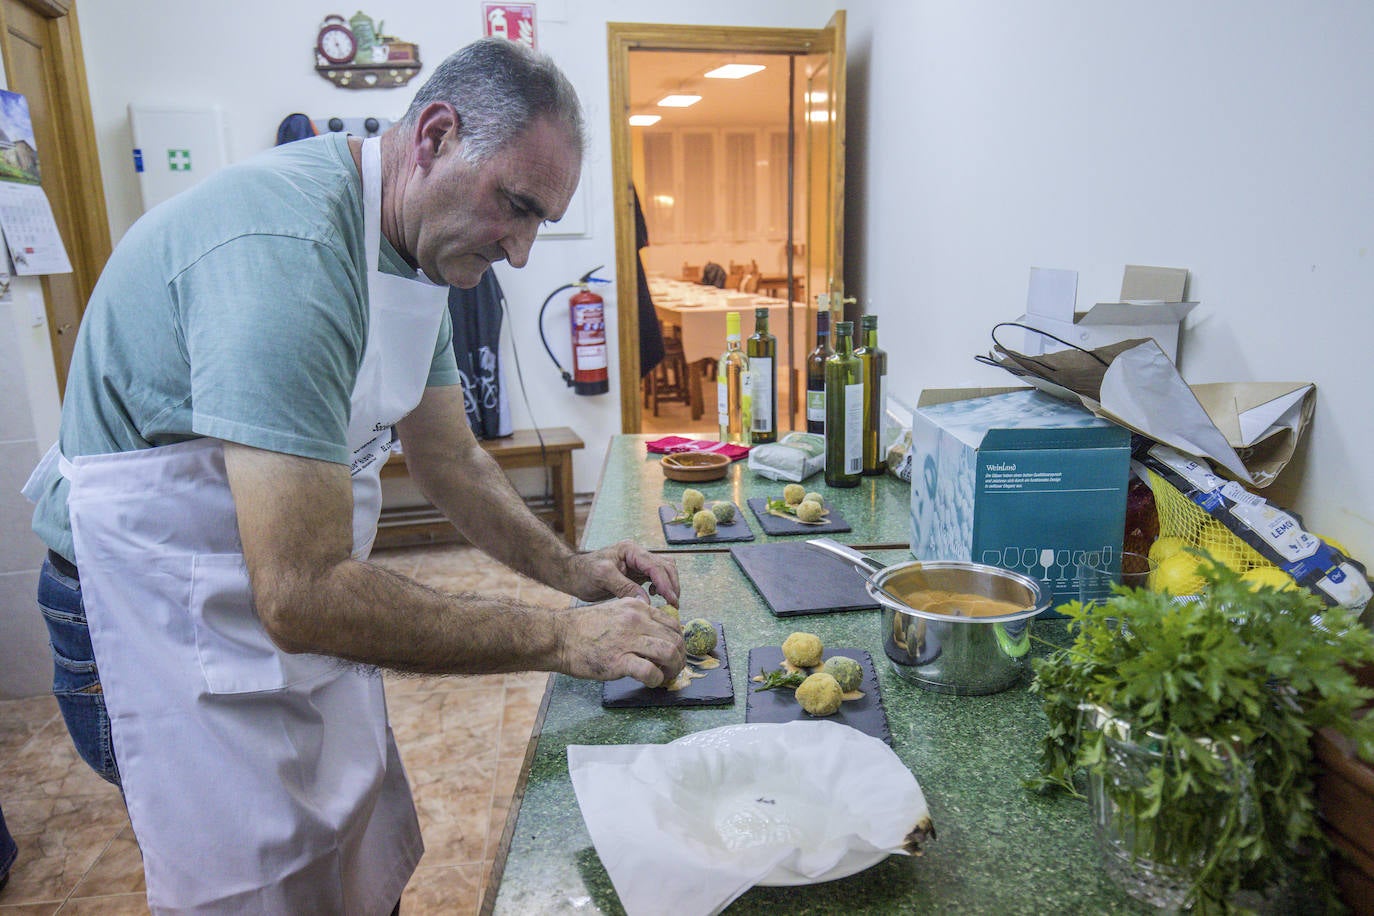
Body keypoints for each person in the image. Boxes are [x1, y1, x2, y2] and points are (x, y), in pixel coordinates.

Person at [24, 38, 683, 913]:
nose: (522, 253)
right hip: (145, 608)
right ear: (436, 136)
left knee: (342, 854)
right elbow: (300, 596)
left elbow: (450, 458)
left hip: (272, 581)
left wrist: (576, 575)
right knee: (250, 875)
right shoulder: (289, 251)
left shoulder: (415, 252)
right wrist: (561, 640)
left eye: (538, 223)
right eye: (515, 207)